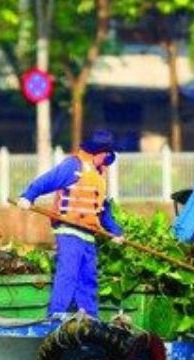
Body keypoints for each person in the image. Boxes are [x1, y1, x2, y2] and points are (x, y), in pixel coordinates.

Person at [17, 129, 124, 317]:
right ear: (99, 152)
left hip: (88, 235)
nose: (107, 160)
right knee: (68, 273)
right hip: (69, 231)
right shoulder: (73, 166)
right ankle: (57, 314)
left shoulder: (98, 176)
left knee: (88, 278)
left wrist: (116, 231)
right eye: (106, 154)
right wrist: (29, 196)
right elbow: (47, 180)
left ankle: (89, 316)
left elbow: (103, 209)